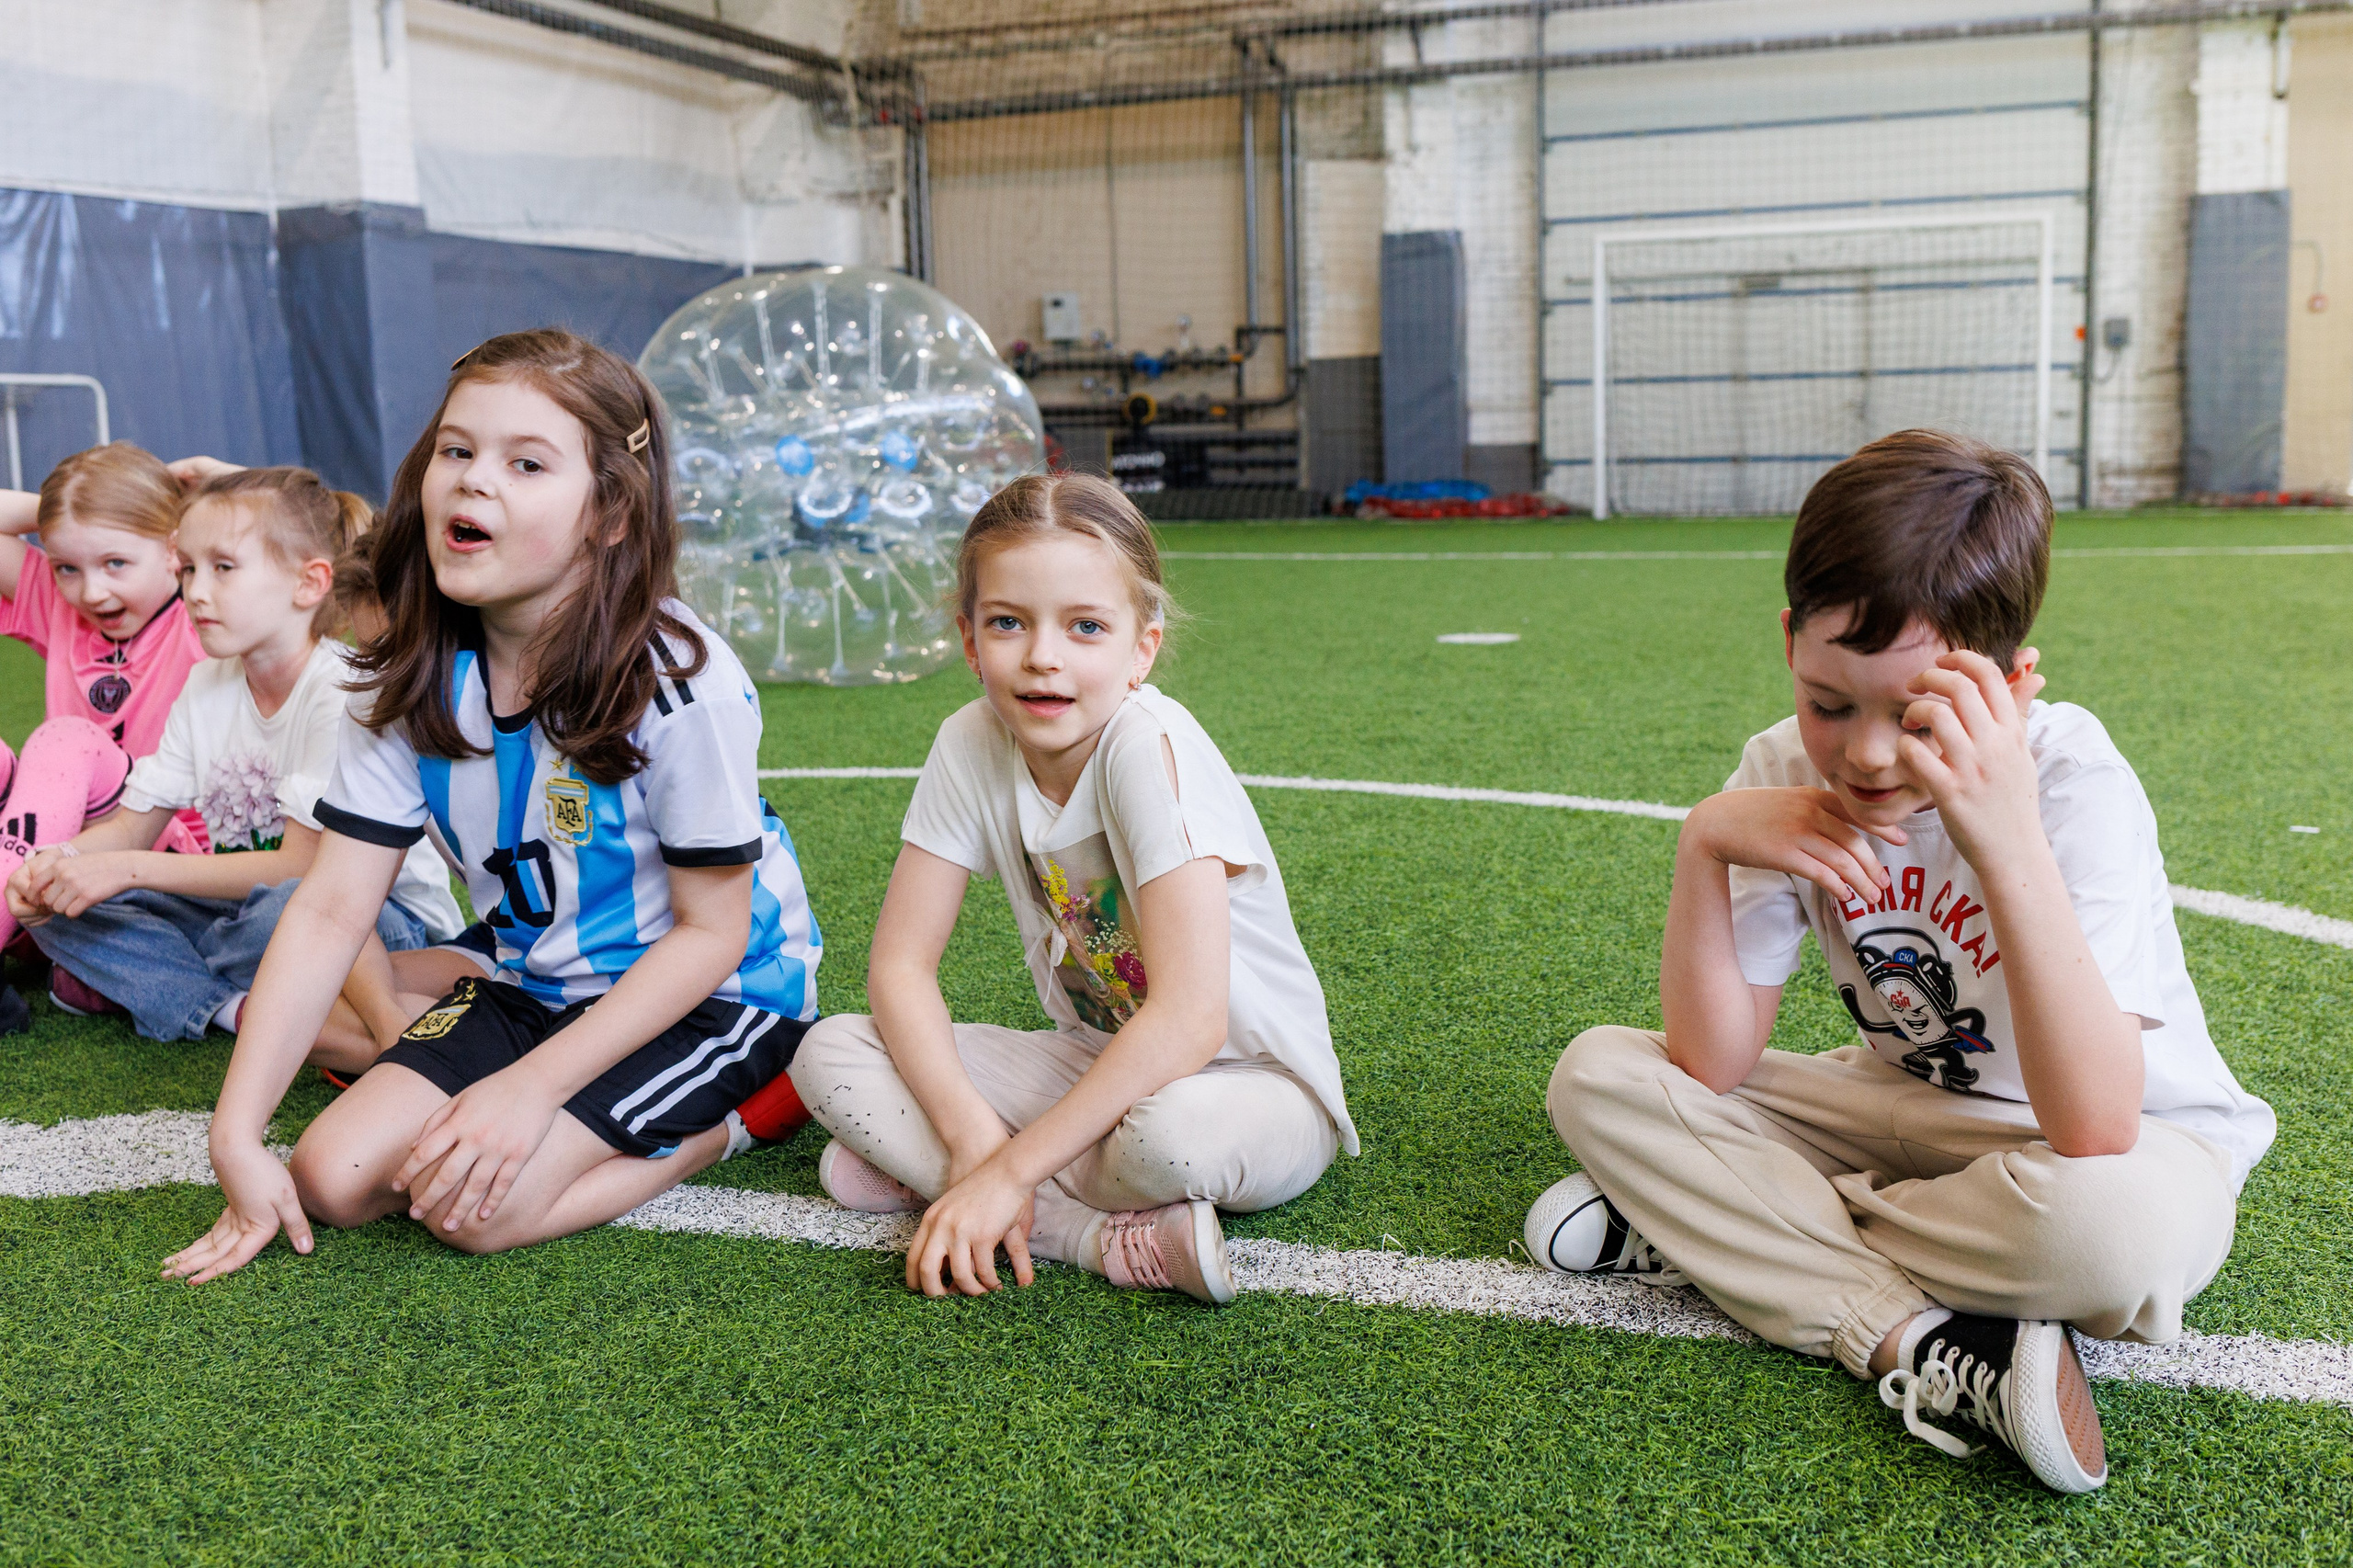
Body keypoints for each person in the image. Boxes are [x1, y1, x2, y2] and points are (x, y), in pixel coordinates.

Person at [1524, 429, 2275, 1494]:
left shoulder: (2071, 782)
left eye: (1916, 714)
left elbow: (2096, 1125)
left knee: (2118, 1240)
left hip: (2103, 1148)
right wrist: (1705, 841)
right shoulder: (1778, 769)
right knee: (1597, 1075)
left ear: (2010, 686)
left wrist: (2003, 832)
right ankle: (1914, 1334)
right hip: (1897, 1105)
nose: (1868, 753)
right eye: (1829, 702)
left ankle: (1733, 1227)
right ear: (1790, 641)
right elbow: (1711, 1060)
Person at [161, 329, 821, 1283]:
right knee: (332, 1176)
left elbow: (711, 933)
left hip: (714, 994)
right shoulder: (411, 678)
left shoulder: (679, 678)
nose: (473, 481)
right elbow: (332, 906)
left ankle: (746, 1112)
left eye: (526, 462)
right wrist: (236, 1130)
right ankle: (476, 1061)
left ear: (610, 515)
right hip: (533, 974)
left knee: (478, 1211)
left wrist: (526, 1089)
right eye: (458, 450)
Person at [787, 472, 1354, 1304]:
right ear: (971, 641)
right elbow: (899, 971)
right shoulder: (968, 741)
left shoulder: (1148, 749)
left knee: (1171, 1143)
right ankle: (1086, 1236)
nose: (1043, 656)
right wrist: (974, 1134)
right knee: (833, 1049)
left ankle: (953, 1183)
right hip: (1094, 1067)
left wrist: (1001, 1165)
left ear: (1141, 648)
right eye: (1008, 623)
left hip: (1250, 1090)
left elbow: (1193, 1020)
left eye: (1086, 626)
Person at [6, 467, 463, 1038]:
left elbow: (305, 869)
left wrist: (124, 869)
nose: (196, 592)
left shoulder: (343, 689)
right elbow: (132, 829)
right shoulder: (204, 686)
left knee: (283, 911)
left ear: (309, 583)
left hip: (379, 922)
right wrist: (63, 862)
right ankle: (228, 1007)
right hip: (243, 917)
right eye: (190, 568)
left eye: (223, 569)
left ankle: (196, 979)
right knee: (64, 909)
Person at [0, 445, 211, 972]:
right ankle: (35, 936)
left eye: (116, 563)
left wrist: (196, 494)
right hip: (53, 866)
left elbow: (304, 531)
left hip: (163, 867)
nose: (92, 591)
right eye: (67, 567)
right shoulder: (57, 604)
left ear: (174, 549)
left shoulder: (205, 614)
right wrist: (64, 507)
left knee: (67, 741)